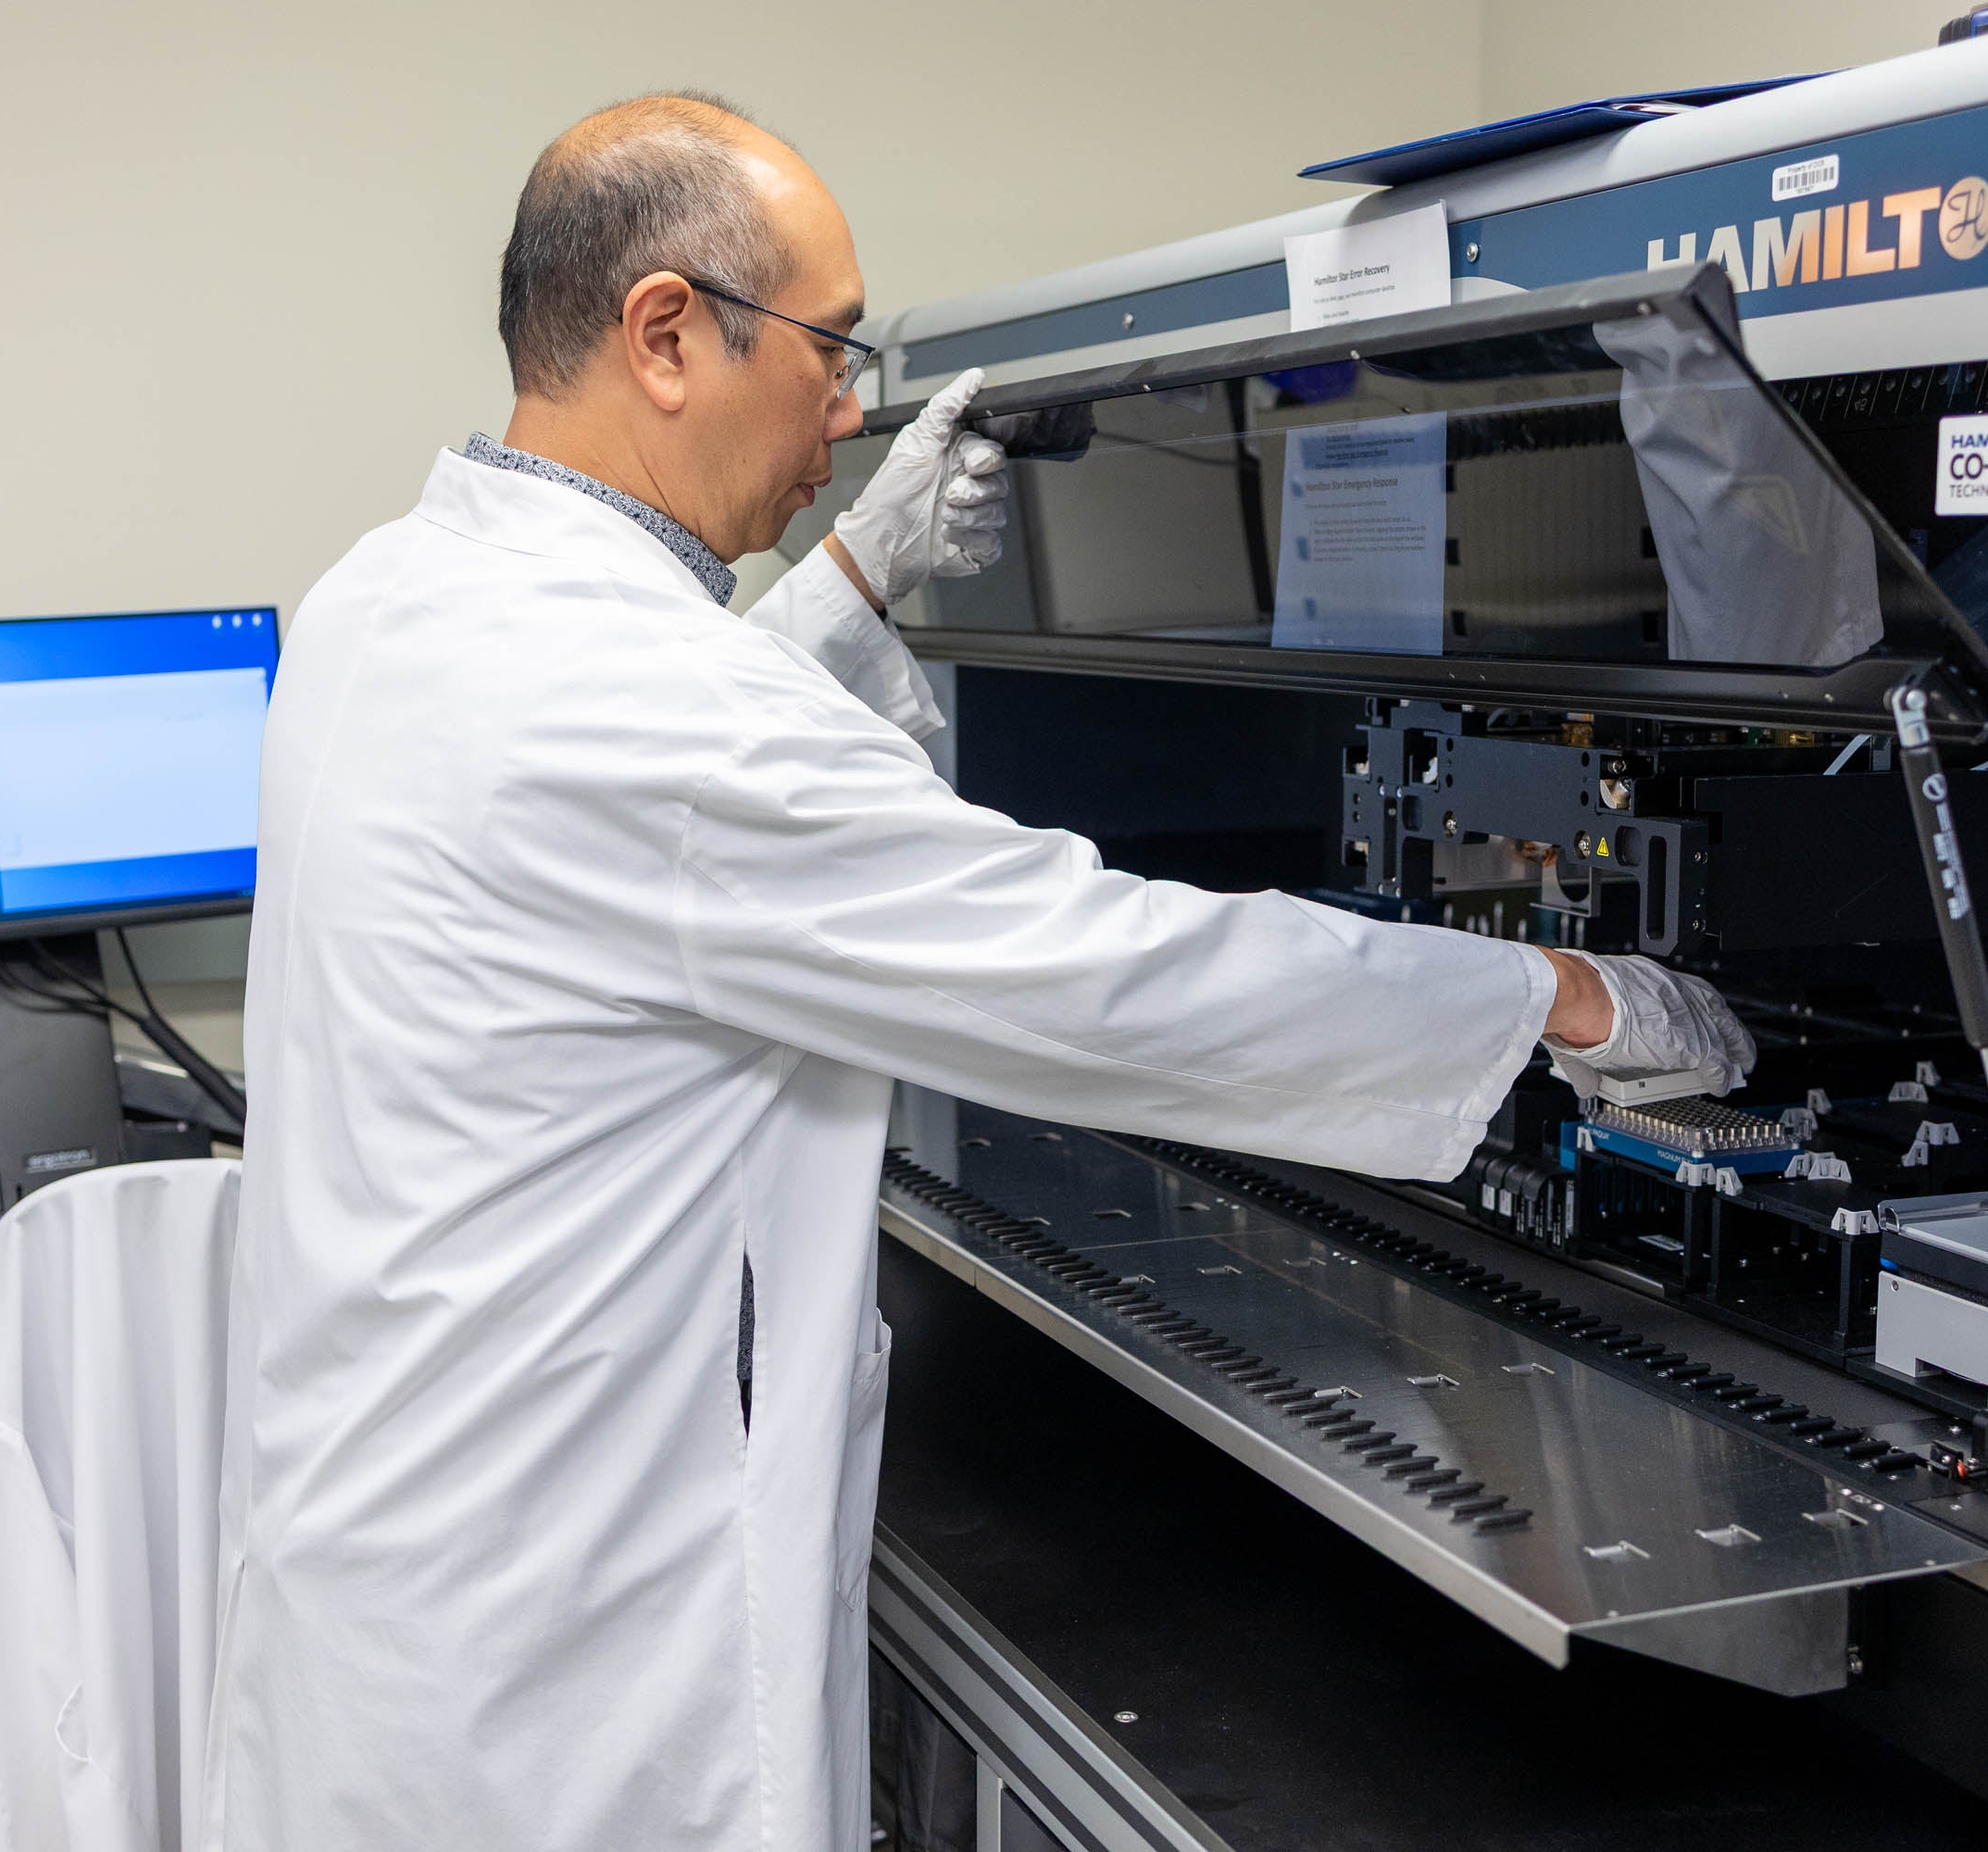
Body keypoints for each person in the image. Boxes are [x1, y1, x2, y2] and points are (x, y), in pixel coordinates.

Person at [208, 91, 1751, 1852]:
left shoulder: (393, 599)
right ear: (662, 333)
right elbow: (1095, 971)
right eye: (831, 344)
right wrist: (1552, 995)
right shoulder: (638, 710)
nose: (852, 400)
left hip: (384, 1624)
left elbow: (663, 814)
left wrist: (853, 581)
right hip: (554, 1705)